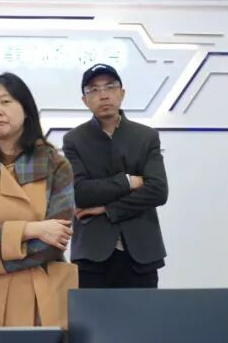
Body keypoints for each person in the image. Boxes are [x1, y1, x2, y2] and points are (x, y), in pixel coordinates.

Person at [0, 72, 77, 328]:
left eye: (5, 101)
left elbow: (54, 243)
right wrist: (33, 229)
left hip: (41, 288)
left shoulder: (55, 165)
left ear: (26, 109)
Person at [63, 64, 168, 288]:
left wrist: (107, 209)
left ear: (122, 93)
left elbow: (158, 191)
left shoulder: (146, 136)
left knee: (142, 311)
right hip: (93, 254)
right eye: (94, 90)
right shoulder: (74, 140)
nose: (103, 95)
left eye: (110, 87)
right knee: (92, 312)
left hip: (141, 251)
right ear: (84, 100)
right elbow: (80, 193)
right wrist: (129, 181)